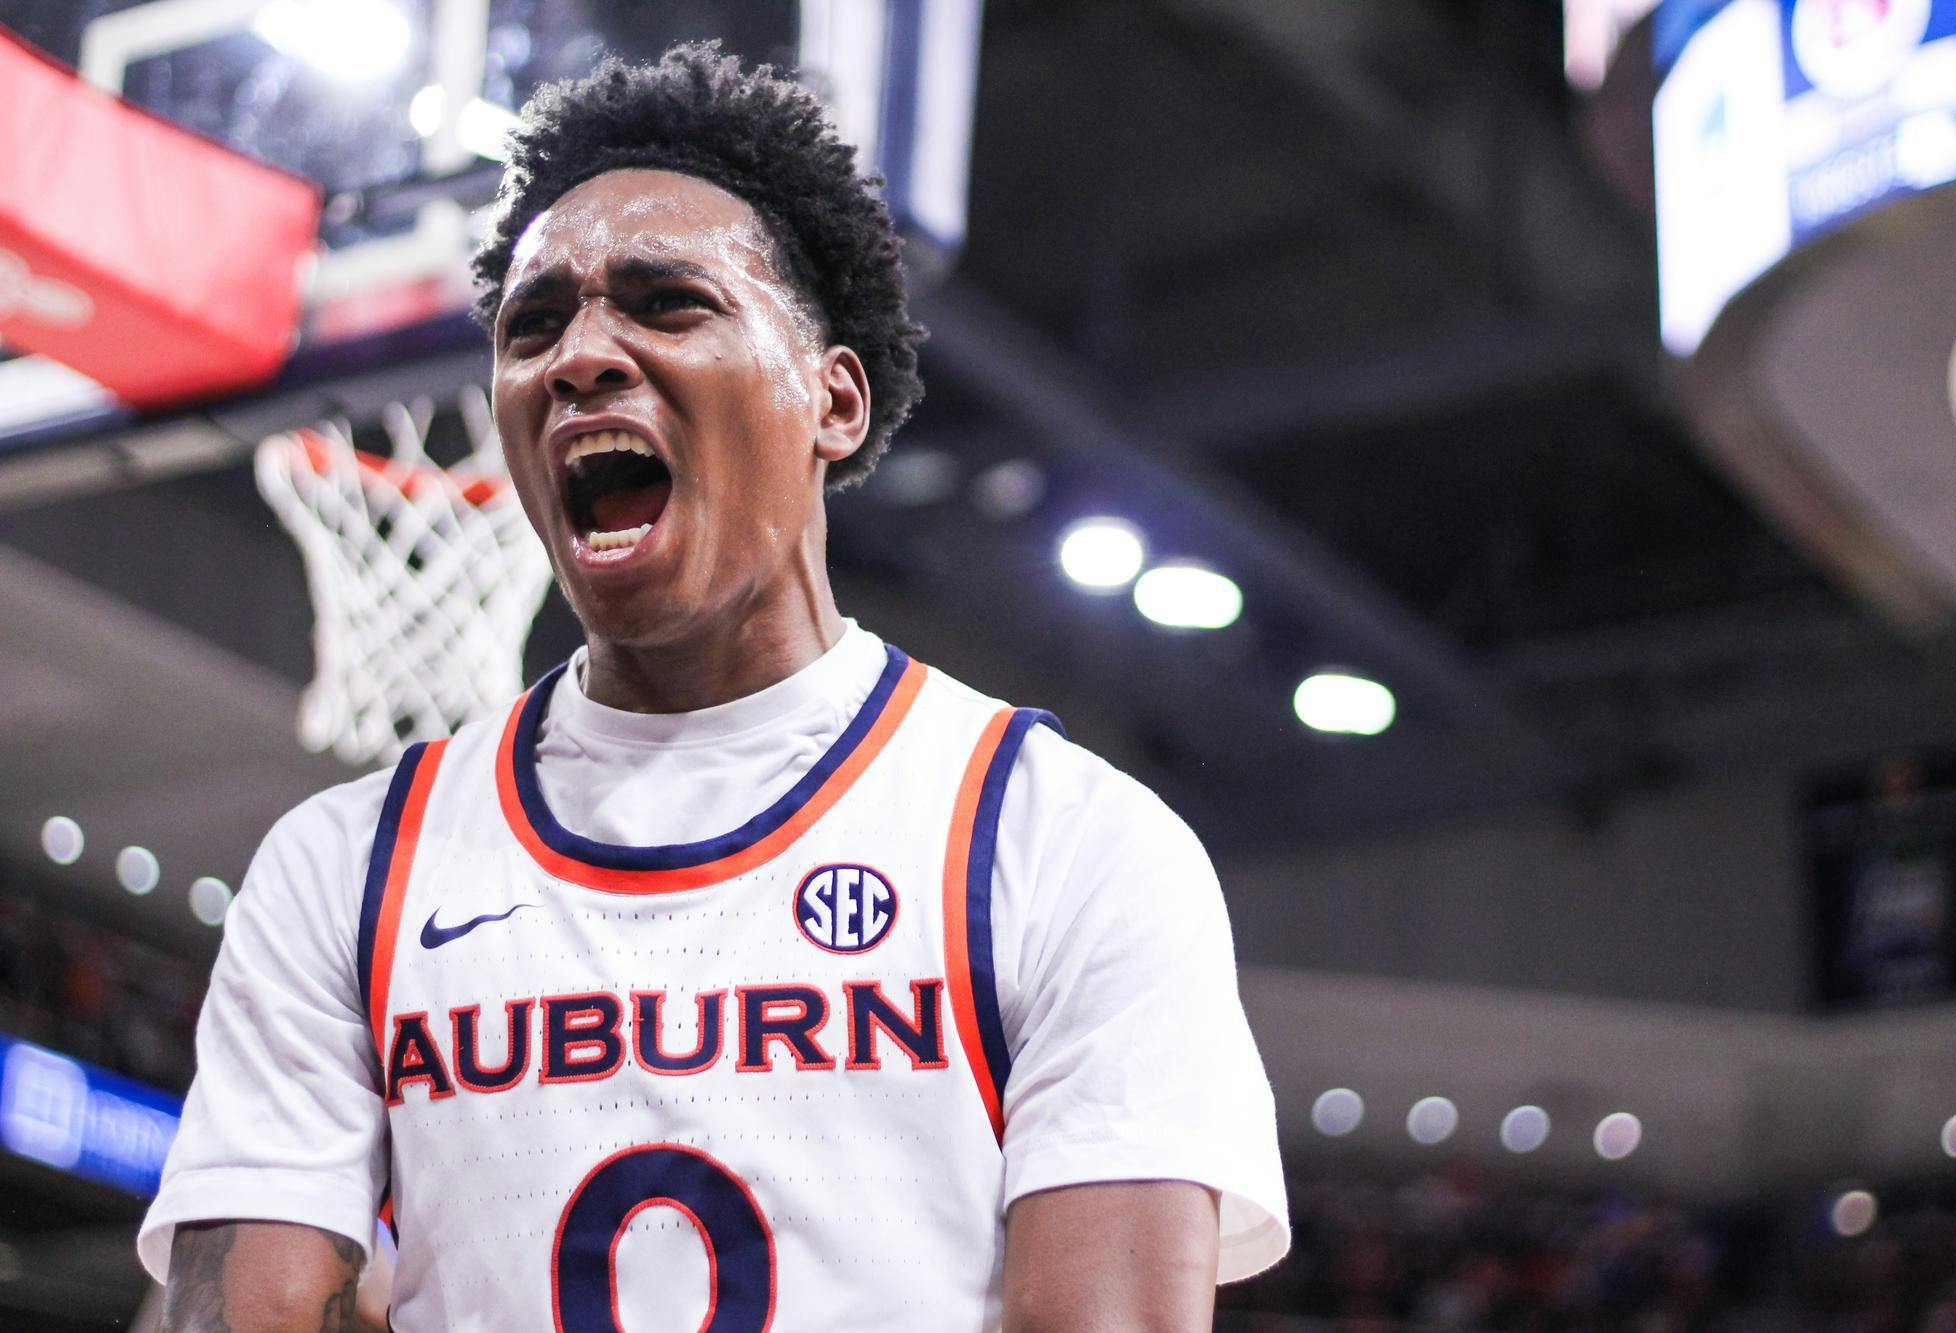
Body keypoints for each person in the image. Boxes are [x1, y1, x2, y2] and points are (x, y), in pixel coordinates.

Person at [139, 43, 1288, 1331]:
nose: (579, 358)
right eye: (534, 327)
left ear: (833, 400)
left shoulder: (1068, 843)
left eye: (666, 303)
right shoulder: (342, 868)